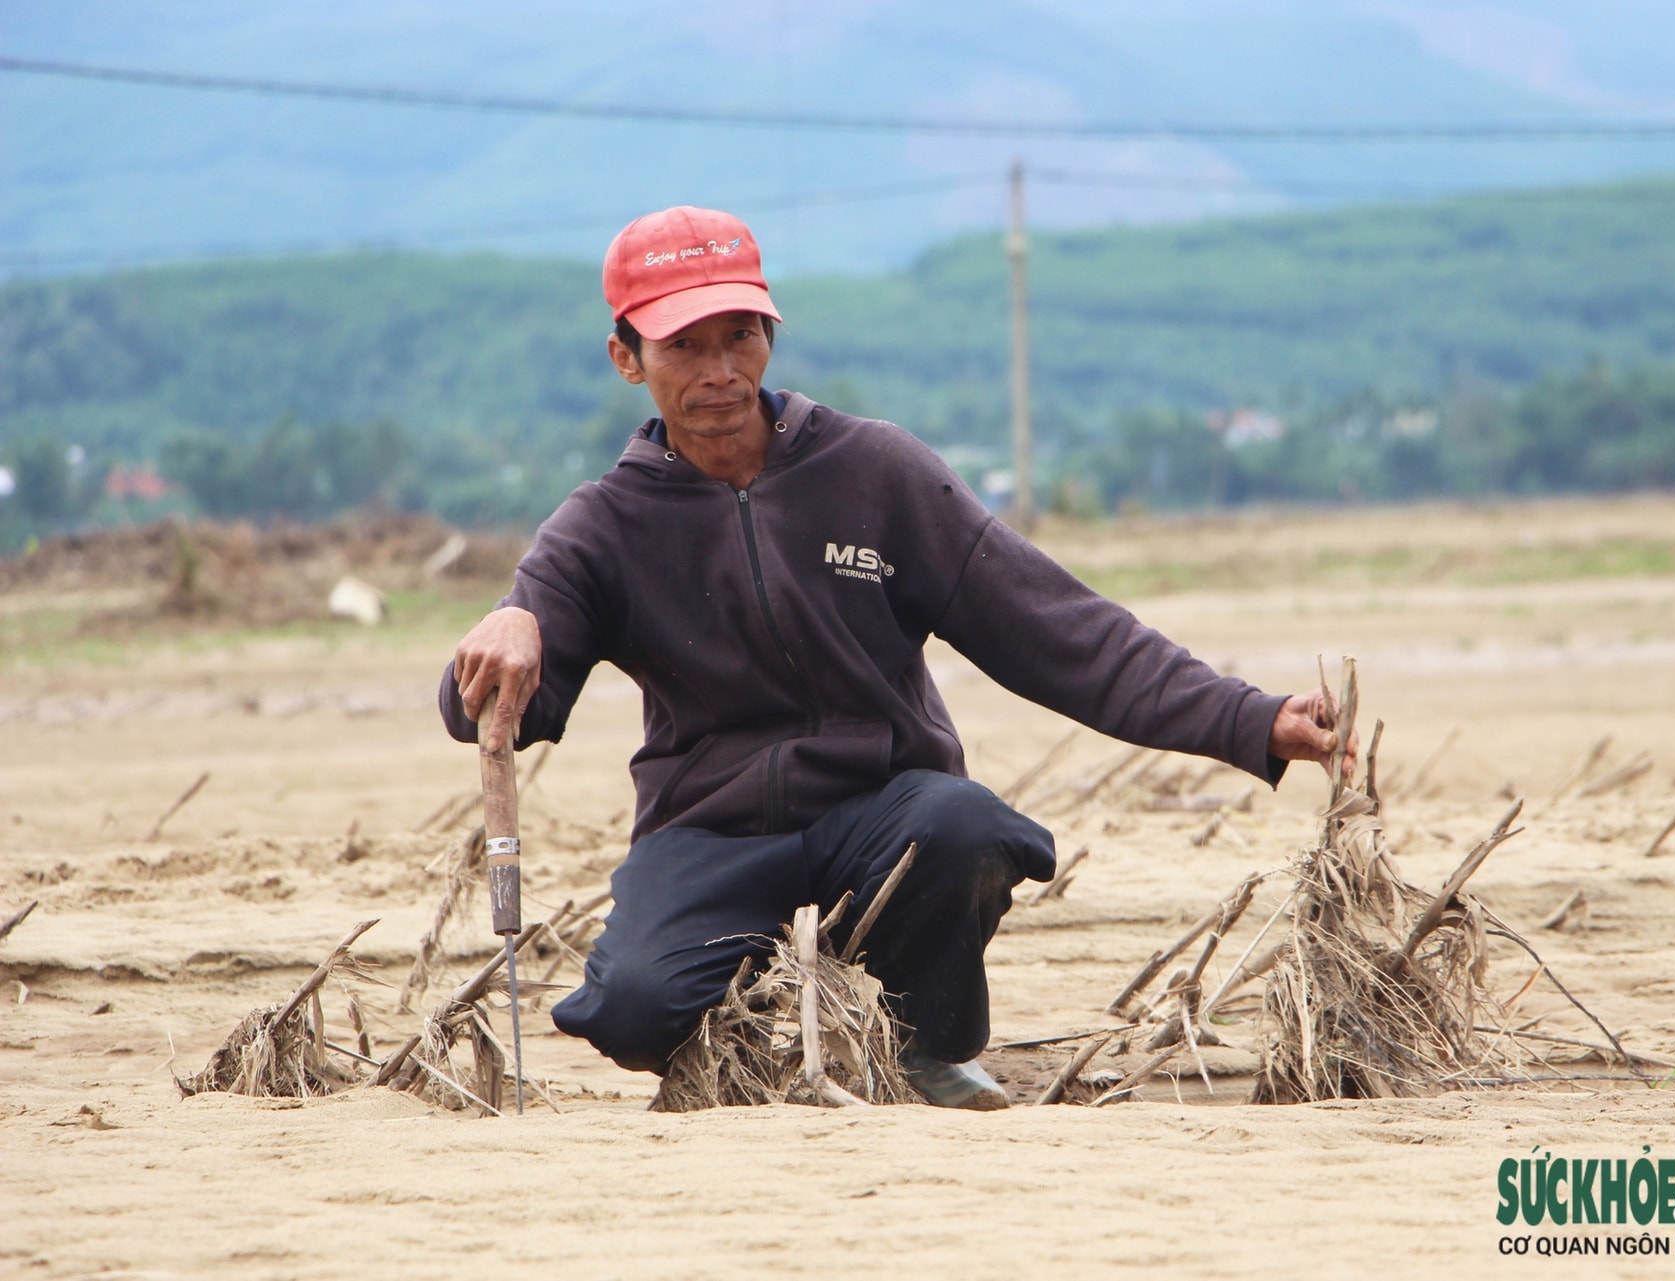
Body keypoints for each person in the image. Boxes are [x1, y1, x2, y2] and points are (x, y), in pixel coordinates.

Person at [442, 206, 1352, 1110]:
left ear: (769, 334)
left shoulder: (874, 470)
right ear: (626, 356)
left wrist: (1250, 719)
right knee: (636, 1004)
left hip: (884, 812)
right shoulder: (602, 526)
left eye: (741, 336)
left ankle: (926, 1043)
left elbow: (1061, 630)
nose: (720, 371)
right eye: (685, 346)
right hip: (711, 837)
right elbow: (487, 710)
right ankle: (762, 1033)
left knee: (964, 826)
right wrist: (510, 623)